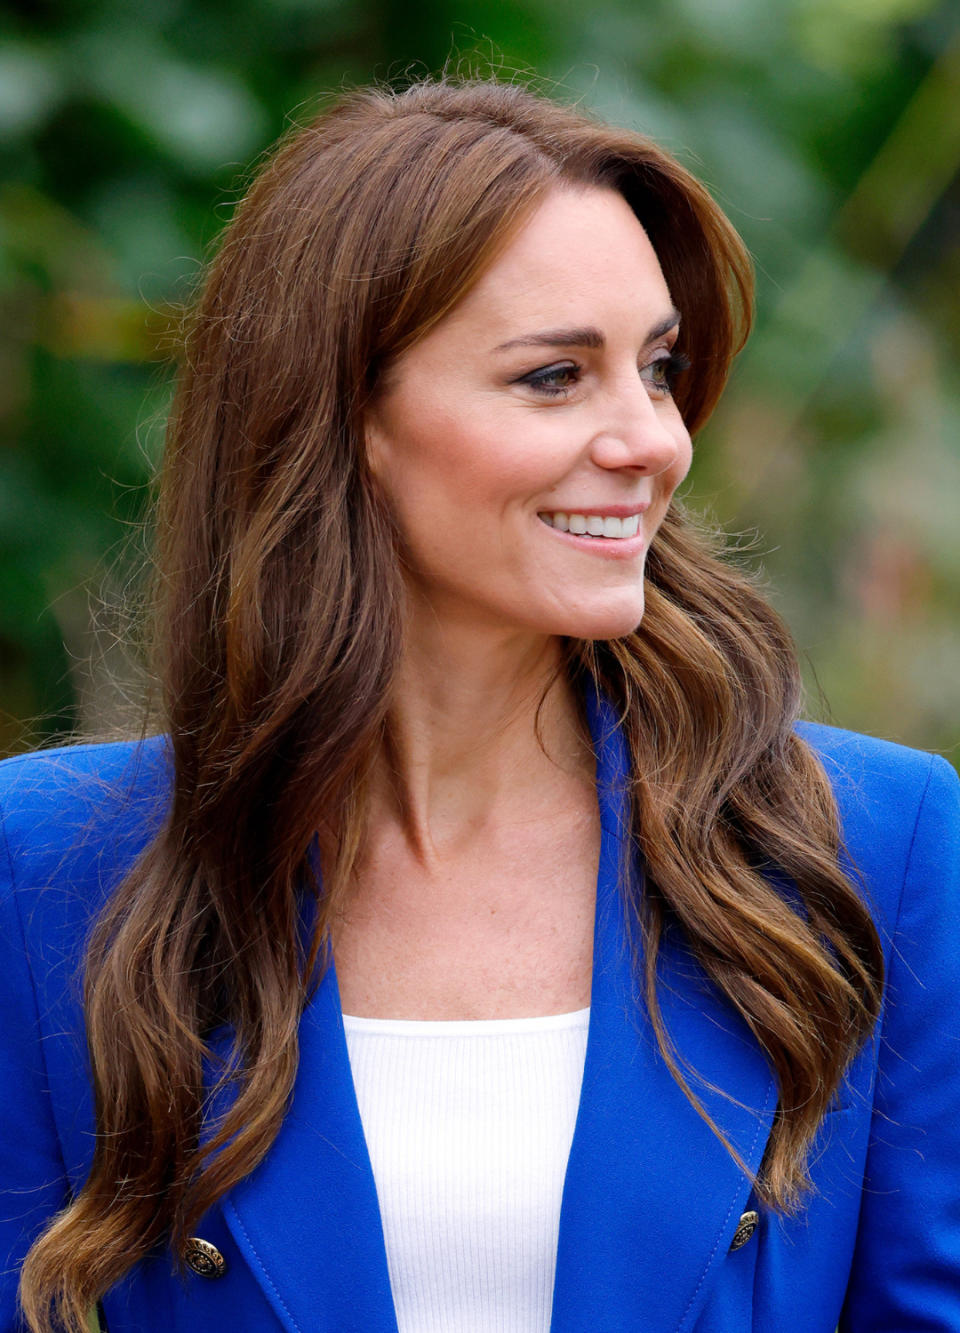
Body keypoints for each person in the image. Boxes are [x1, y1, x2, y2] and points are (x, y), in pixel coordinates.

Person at [1, 74, 958, 1333]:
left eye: (658, 367)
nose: (652, 440)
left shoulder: (863, 848)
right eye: (555, 376)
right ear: (348, 417)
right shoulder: (48, 870)